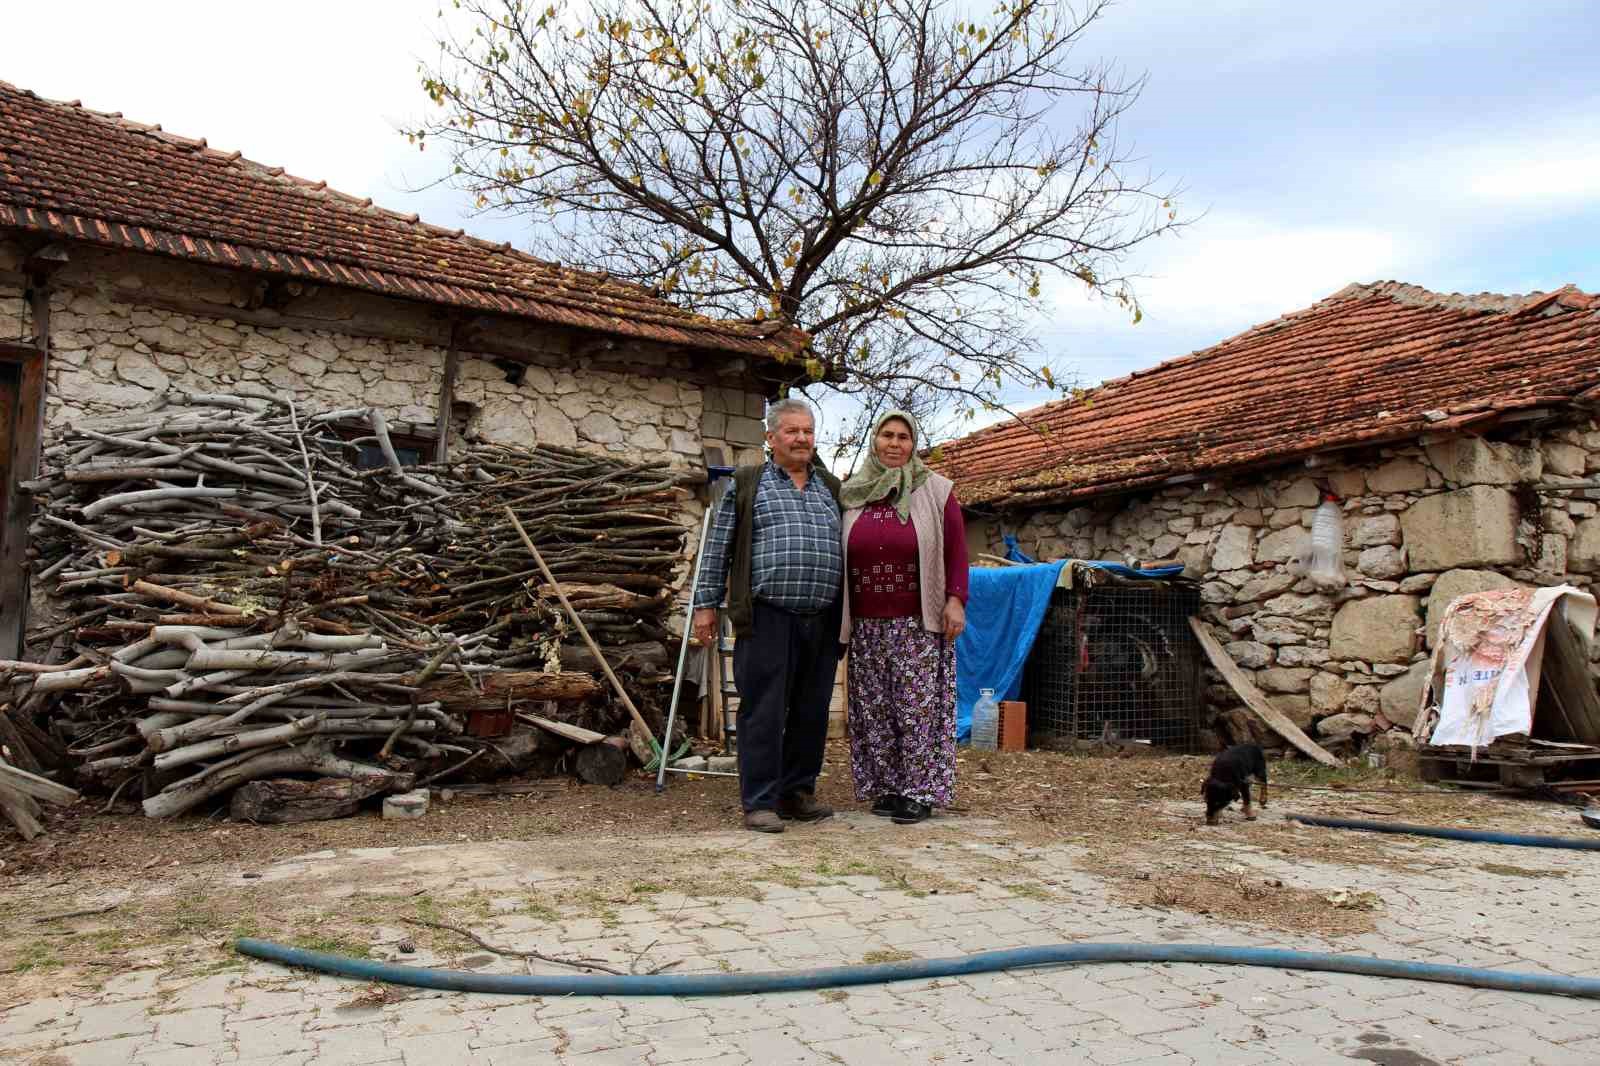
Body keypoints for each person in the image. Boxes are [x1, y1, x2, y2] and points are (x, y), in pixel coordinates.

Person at [692, 398, 844, 833]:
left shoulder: (830, 489)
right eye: (792, 431)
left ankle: (797, 792)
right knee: (764, 709)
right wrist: (705, 605)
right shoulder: (748, 483)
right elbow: (717, 549)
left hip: (822, 617)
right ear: (771, 437)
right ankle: (759, 801)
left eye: (808, 431)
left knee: (812, 710)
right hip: (767, 616)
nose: (801, 439)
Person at [838, 411, 968, 825]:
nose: (894, 444)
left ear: (914, 445)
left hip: (917, 621)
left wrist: (956, 599)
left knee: (917, 709)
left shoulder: (936, 490)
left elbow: (957, 551)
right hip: (865, 623)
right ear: (874, 441)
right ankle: (890, 786)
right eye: (887, 435)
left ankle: (920, 790)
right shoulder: (853, 493)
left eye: (903, 437)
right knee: (875, 709)